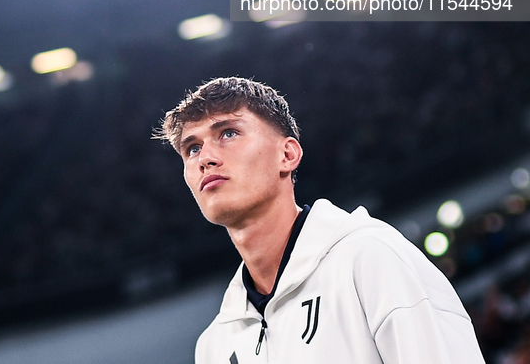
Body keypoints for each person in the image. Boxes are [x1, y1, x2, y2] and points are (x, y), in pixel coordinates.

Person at [154, 76, 486, 363]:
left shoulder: (370, 259)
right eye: (192, 148)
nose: (206, 158)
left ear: (287, 155)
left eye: (227, 133)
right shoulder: (215, 344)